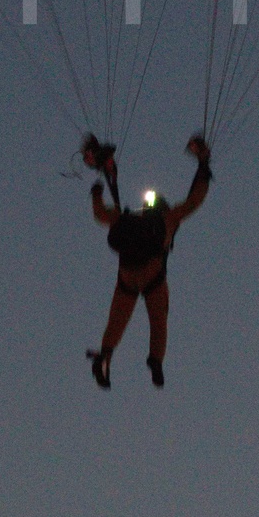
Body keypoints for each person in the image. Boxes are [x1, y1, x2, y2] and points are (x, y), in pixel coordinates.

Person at [81, 133, 212, 389]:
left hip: (127, 276)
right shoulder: (169, 218)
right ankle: (155, 361)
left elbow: (99, 215)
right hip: (153, 276)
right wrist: (204, 167)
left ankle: (105, 357)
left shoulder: (124, 218)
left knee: (116, 322)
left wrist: (97, 192)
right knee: (158, 321)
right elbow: (194, 201)